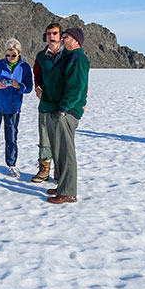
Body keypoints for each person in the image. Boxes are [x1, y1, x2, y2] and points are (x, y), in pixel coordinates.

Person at [39, 28, 89, 204]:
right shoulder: (67, 57)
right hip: (56, 109)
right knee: (58, 151)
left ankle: (68, 192)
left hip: (65, 112)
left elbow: (76, 86)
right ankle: (62, 186)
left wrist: (64, 109)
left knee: (66, 153)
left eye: (65, 37)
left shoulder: (77, 58)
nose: (62, 39)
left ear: (75, 40)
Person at [0, 38, 33, 179]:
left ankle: (11, 165)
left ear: (19, 53)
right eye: (8, 54)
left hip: (13, 108)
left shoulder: (25, 68)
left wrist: (18, 86)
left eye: (13, 55)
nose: (10, 58)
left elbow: (29, 87)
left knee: (11, 138)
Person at [31, 23, 63, 182]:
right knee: (44, 137)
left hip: (63, 103)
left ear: (61, 35)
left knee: (61, 138)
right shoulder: (41, 56)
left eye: (55, 33)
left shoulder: (68, 54)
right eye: (49, 33)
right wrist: (37, 87)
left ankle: (60, 170)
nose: (52, 36)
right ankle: (44, 169)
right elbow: (37, 73)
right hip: (45, 102)